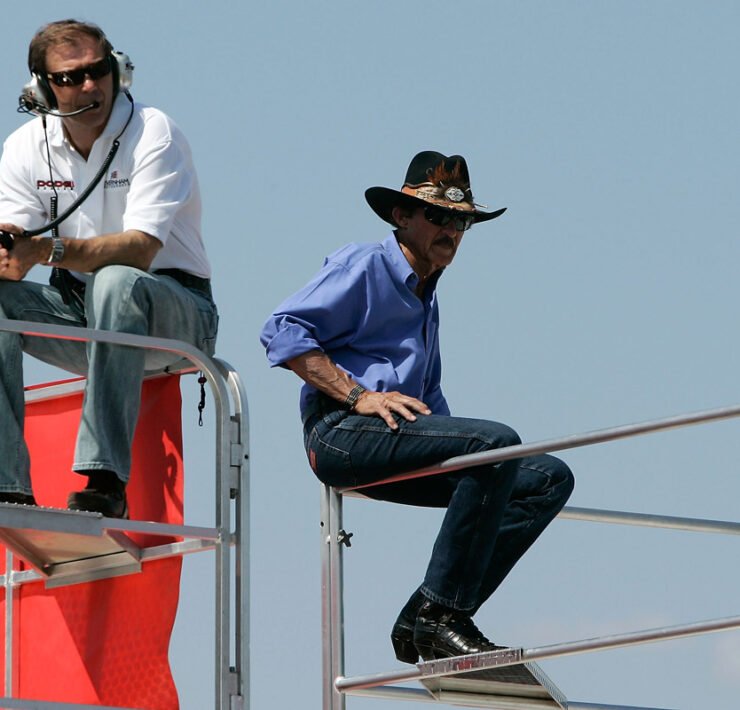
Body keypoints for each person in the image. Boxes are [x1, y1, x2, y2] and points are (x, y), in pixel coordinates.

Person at [261, 151, 575, 662]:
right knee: (494, 444)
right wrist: (359, 395)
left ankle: (427, 617)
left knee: (547, 478)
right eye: (438, 216)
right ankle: (440, 617)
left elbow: (431, 404)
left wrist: (474, 457)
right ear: (401, 216)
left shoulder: (426, 297)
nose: (451, 230)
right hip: (339, 433)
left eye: (461, 221)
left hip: (392, 435)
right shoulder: (365, 265)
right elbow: (281, 330)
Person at [0, 20, 218, 518]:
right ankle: (8, 488)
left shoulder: (154, 131)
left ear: (119, 71)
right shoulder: (24, 146)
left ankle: (105, 482)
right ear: (42, 90)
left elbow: (139, 250)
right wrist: (9, 251)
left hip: (175, 314)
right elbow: (15, 251)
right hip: (82, 315)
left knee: (116, 281)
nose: (89, 86)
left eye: (98, 71)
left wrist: (46, 251)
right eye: (70, 78)